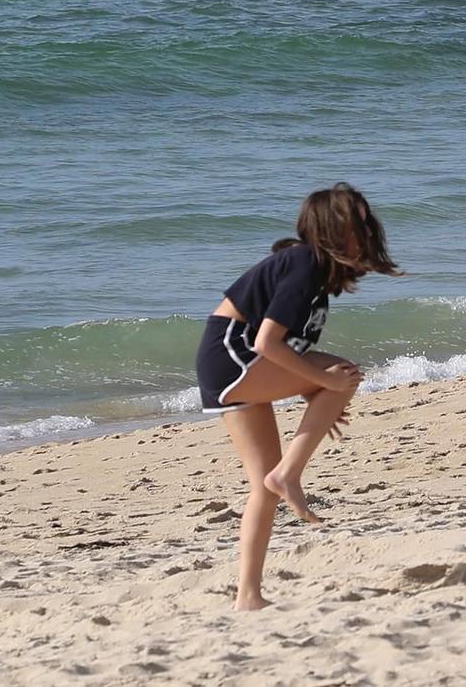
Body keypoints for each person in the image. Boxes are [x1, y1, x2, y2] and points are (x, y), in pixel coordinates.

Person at [193, 183, 402, 610]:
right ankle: (289, 474)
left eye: (365, 221)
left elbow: (288, 350)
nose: (363, 230)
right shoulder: (305, 263)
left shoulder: (316, 273)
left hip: (233, 359)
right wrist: (324, 386)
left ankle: (248, 597)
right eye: (353, 223)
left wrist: (321, 397)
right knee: (341, 373)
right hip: (231, 354)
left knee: (262, 486)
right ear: (329, 227)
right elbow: (269, 342)